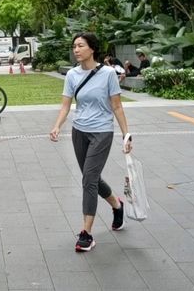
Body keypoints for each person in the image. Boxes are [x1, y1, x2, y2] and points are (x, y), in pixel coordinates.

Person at [49, 32, 133, 252]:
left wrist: (126, 135)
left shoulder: (108, 74)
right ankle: (117, 205)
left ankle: (86, 234)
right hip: (80, 132)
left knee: (89, 180)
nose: (76, 49)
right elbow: (66, 105)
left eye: (80, 46)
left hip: (102, 133)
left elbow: (117, 107)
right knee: (91, 177)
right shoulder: (72, 75)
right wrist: (57, 126)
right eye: (74, 46)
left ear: (92, 49)